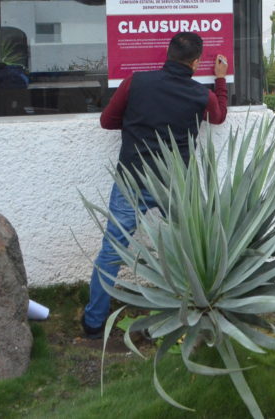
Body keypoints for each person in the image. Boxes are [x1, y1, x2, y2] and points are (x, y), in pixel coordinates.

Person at [81, 32, 229, 338]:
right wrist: (220, 80)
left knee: (112, 251)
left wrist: (139, 122)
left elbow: (107, 121)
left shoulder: (135, 83)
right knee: (187, 252)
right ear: (196, 62)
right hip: (174, 185)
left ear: (168, 54)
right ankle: (177, 320)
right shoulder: (201, 95)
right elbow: (218, 117)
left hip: (131, 179)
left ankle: (94, 323)